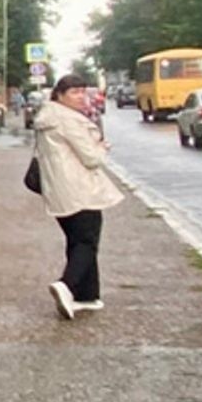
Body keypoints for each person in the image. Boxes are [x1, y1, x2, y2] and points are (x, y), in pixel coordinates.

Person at [32, 71, 124, 319]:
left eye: (83, 91)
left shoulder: (46, 118)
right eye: (74, 92)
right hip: (80, 189)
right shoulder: (68, 121)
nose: (80, 97)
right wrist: (101, 148)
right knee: (87, 241)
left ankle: (88, 296)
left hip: (59, 190)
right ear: (59, 95)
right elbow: (91, 159)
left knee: (77, 240)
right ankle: (67, 285)